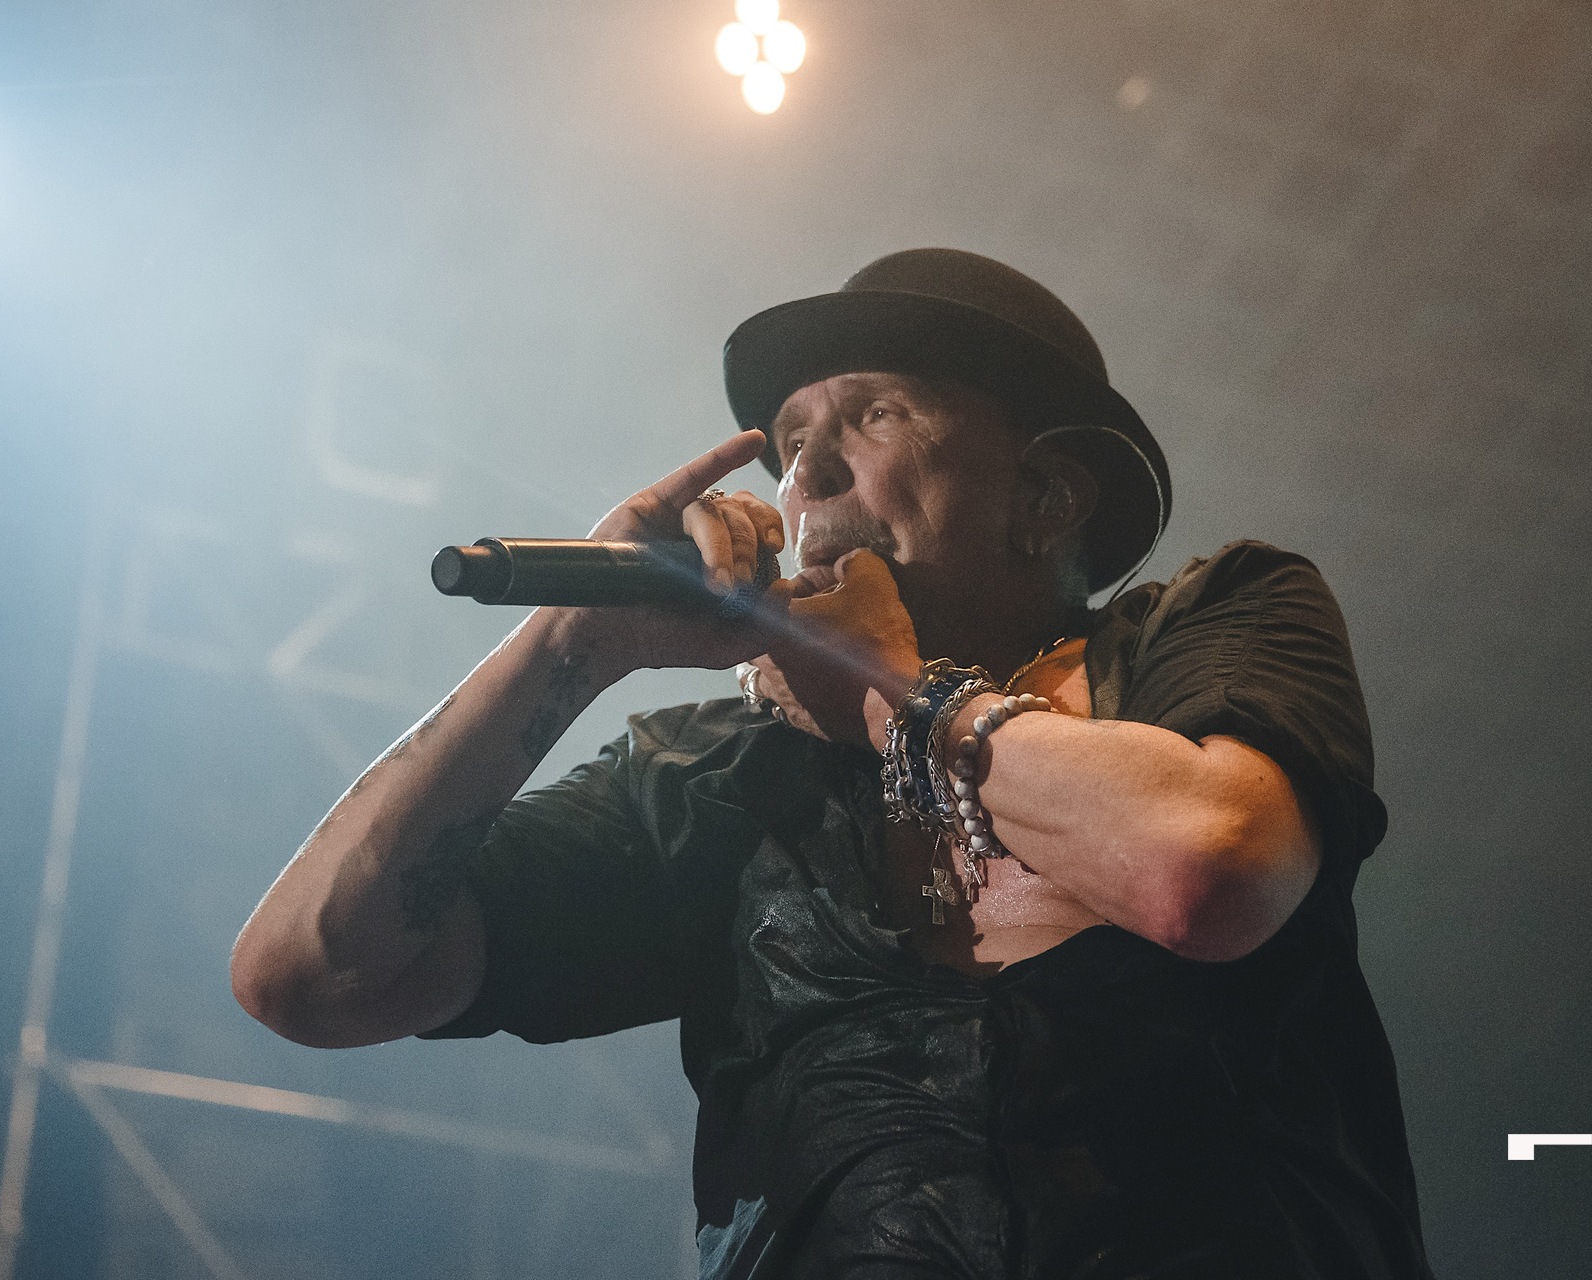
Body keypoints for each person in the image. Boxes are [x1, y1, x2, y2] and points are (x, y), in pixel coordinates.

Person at [231, 250, 1435, 1278]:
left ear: (1045, 495)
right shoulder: (708, 780)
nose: (803, 475)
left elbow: (1209, 873)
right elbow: (311, 973)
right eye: (792, 442)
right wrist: (569, 643)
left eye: (875, 416)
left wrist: (895, 696)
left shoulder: (1206, 625)